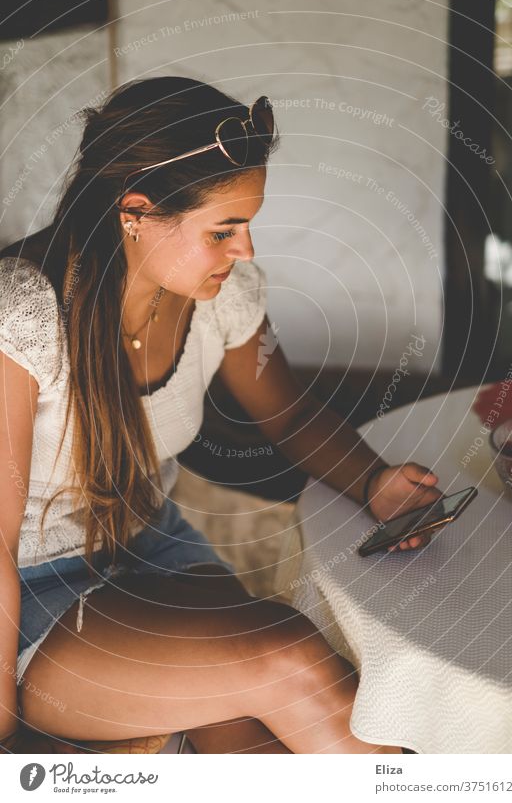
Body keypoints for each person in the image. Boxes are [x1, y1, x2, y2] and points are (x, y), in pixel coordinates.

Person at [0, 76, 440, 755]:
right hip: (33, 595)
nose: (245, 251)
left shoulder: (223, 295)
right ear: (135, 212)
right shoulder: (22, 315)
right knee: (287, 655)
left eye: (247, 225)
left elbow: (287, 412)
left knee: (263, 737)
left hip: (155, 544)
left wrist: (372, 480)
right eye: (223, 229)